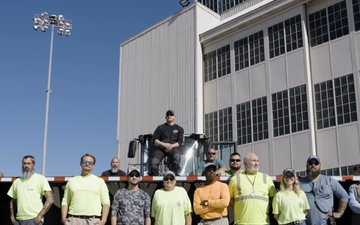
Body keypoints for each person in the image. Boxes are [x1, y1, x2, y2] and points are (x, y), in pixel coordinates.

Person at [61, 153, 110, 225]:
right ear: (80, 163)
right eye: (85, 162)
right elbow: (65, 201)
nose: (87, 164)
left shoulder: (100, 181)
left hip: (93, 221)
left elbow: (106, 202)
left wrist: (103, 220)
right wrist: (64, 218)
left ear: (94, 165)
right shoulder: (72, 181)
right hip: (73, 220)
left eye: (90, 163)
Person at [228, 152, 276, 225]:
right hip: (241, 223)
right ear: (245, 163)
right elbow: (230, 199)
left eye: (257, 161)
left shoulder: (266, 178)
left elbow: (273, 198)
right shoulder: (235, 179)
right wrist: (241, 205)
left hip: (263, 222)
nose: (256, 163)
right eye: (253, 161)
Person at [299, 155, 348, 225]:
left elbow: (344, 196)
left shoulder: (329, 180)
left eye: (316, 163)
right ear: (306, 166)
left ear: (320, 166)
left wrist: (339, 213)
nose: (313, 165)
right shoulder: (299, 183)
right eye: (310, 163)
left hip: (326, 222)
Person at [7, 155, 54, 225]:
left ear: (34, 165)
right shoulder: (17, 182)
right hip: (19, 220)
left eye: (28, 163)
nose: (26, 166)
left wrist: (39, 216)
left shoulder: (40, 179)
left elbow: (50, 199)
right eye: (24, 163)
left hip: (34, 220)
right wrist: (12, 218)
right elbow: (12, 200)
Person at [150, 109, 184, 176]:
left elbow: (180, 142)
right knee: (154, 161)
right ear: (165, 117)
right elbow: (155, 140)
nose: (169, 116)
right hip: (161, 148)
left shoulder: (180, 129)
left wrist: (171, 146)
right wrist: (164, 144)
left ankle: (173, 174)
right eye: (167, 115)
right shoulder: (160, 128)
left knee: (177, 156)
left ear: (174, 117)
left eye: (171, 115)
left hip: (173, 147)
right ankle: (155, 176)